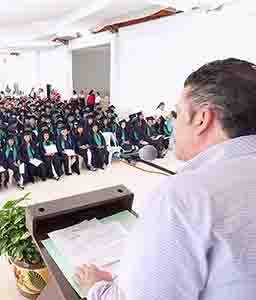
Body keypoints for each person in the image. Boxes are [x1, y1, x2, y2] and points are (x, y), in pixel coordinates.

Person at [75, 58, 256, 300]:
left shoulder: (186, 195)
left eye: (177, 113)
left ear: (203, 119)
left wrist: (97, 288)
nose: (172, 122)